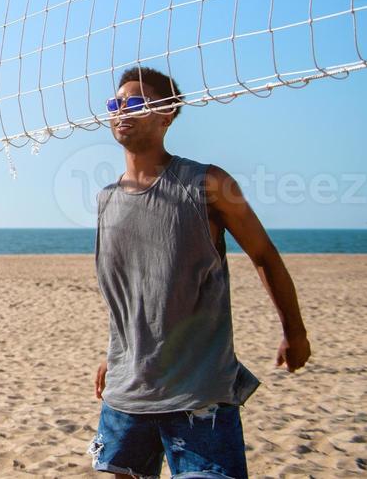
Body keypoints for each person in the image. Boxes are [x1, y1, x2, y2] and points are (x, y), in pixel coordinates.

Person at [89, 66, 311, 479]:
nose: (121, 111)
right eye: (115, 103)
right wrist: (113, 356)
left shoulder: (207, 182)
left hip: (198, 394)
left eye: (135, 103)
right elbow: (129, 290)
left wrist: (294, 332)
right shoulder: (106, 199)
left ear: (167, 113)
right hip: (126, 393)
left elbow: (264, 254)